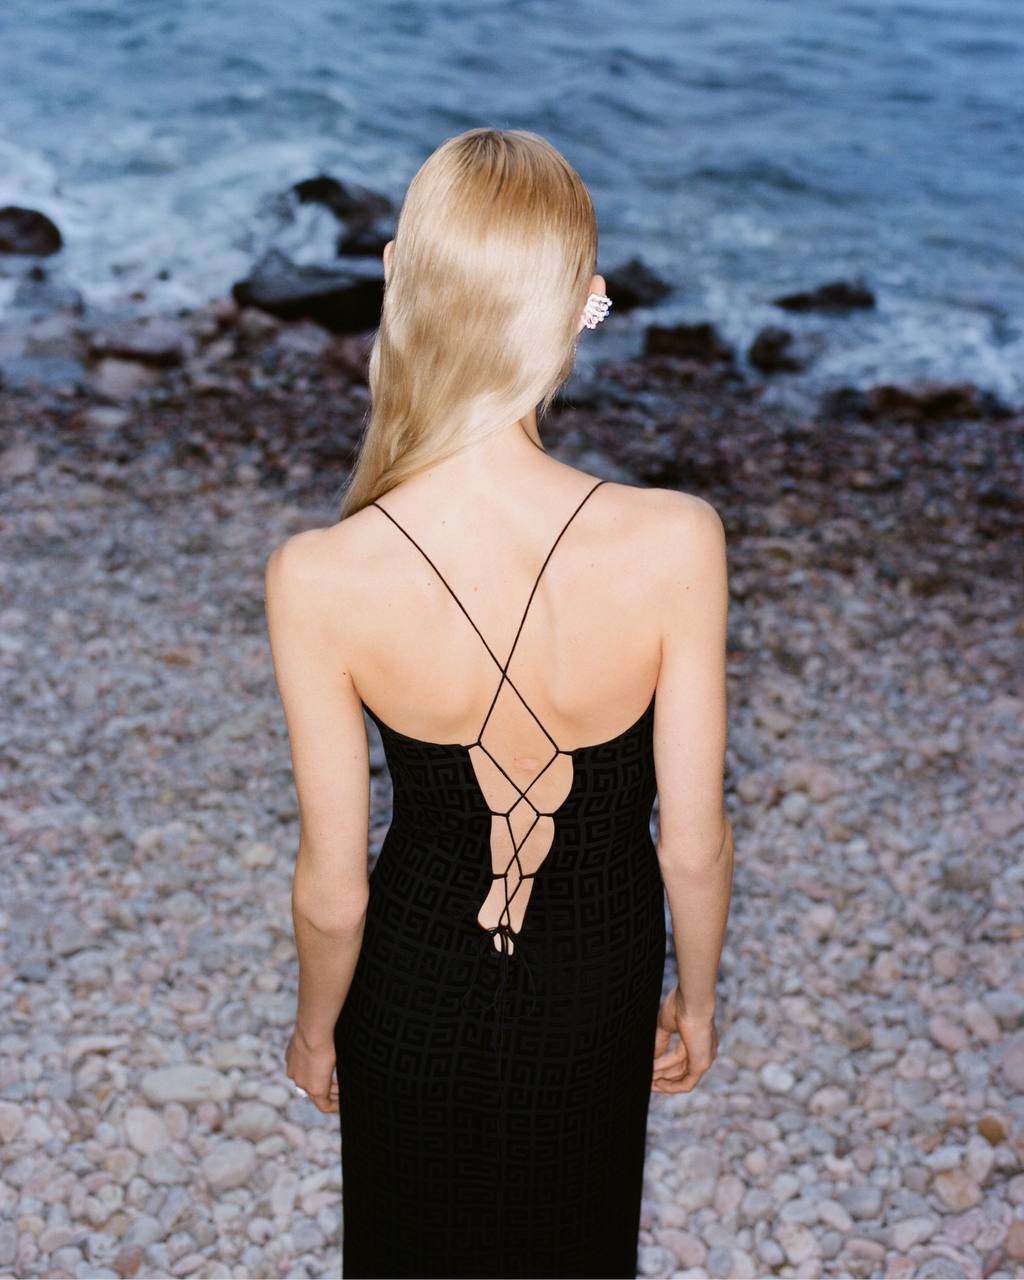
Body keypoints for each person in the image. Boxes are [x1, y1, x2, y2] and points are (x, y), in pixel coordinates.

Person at [265, 126, 734, 1280]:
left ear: (398, 280)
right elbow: (691, 840)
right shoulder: (676, 539)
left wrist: (317, 1027)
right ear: (585, 303)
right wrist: (697, 996)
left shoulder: (319, 573)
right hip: (598, 978)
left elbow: (332, 887)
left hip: (411, 984)